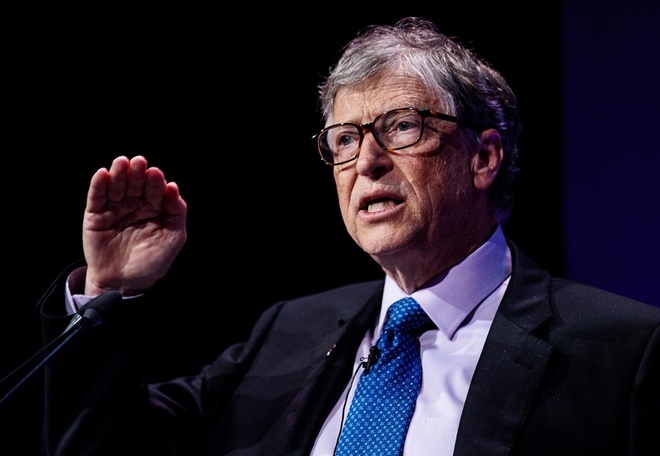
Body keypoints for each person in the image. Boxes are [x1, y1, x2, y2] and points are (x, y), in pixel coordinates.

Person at [39, 16, 660, 456]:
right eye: (345, 139)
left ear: (483, 157)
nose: (367, 161)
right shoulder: (288, 332)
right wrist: (108, 292)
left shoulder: (622, 351)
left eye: (403, 126)